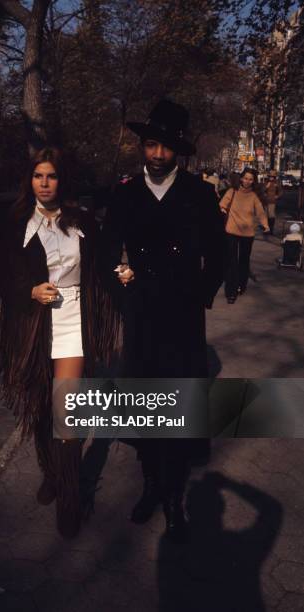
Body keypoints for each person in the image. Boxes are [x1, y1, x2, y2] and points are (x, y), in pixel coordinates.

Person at [101, 99, 227, 540]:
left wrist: (201, 293)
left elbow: (220, 252)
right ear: (143, 146)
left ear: (179, 152)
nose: (156, 155)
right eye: (150, 145)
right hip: (141, 316)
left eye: (165, 148)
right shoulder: (124, 193)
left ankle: (175, 497)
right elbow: (105, 251)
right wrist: (120, 286)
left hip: (183, 317)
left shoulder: (199, 193)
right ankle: (151, 485)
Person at [0, 146, 118, 539]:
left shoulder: (81, 221)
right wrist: (30, 290)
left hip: (73, 323)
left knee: (67, 409)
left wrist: (122, 272)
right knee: (42, 407)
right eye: (37, 176)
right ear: (29, 181)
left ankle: (70, 495)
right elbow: (2, 281)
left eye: (51, 176)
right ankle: (52, 471)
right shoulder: (16, 222)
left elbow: (100, 265)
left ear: (62, 181)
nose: (44, 183)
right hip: (33, 327)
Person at [220, 167, 269, 304]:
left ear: (253, 182)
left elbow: (260, 212)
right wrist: (223, 209)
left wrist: (265, 225)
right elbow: (222, 204)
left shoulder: (253, 196)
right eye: (245, 178)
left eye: (250, 179)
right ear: (241, 178)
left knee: (243, 261)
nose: (247, 181)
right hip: (231, 231)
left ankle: (242, 284)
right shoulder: (232, 191)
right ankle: (231, 292)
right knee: (231, 262)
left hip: (247, 233)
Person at [263, 169, 283, 235]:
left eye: (272, 176)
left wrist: (277, 196)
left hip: (272, 201)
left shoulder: (276, 183)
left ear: (274, 177)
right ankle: (266, 229)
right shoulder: (266, 182)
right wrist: (266, 187)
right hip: (265, 201)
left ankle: (271, 229)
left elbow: (281, 191)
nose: (271, 177)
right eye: (270, 176)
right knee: (265, 215)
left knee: (271, 215)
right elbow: (262, 190)